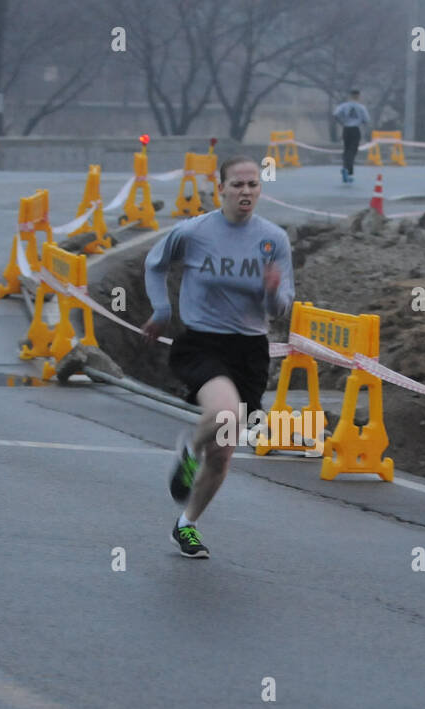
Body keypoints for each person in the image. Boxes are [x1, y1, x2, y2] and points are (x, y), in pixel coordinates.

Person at [142, 156, 295, 558]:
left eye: (253, 185)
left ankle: (186, 525)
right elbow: (154, 264)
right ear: (221, 188)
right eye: (238, 184)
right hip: (203, 343)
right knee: (225, 413)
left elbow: (281, 309)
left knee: (223, 453)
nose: (246, 192)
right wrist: (161, 311)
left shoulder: (274, 239)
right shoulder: (194, 232)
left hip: (249, 351)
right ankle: (188, 451)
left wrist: (271, 290)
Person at [332, 89, 370, 184]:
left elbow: (335, 114)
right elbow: (366, 120)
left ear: (350, 96)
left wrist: (342, 122)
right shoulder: (361, 107)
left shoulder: (344, 106)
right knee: (352, 150)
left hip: (346, 129)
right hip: (355, 129)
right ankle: (347, 169)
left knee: (346, 149)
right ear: (358, 96)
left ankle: (347, 171)